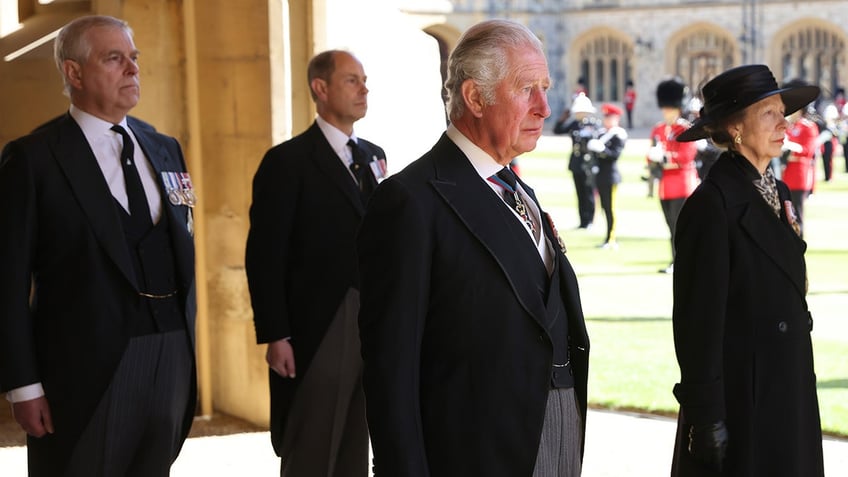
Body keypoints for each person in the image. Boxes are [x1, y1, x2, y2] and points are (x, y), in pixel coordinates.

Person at [356, 19, 590, 477]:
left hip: (558, 425)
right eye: (527, 89)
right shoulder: (411, 200)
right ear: (475, 97)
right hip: (473, 448)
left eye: (545, 87)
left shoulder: (519, 189)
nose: (545, 107)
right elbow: (391, 369)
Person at [0, 15, 197, 476]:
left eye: (134, 59)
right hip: (83, 367)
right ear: (73, 73)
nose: (132, 69)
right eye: (114, 59)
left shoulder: (164, 146)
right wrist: (23, 386)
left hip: (170, 353)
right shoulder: (33, 158)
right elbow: (6, 280)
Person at [672, 64, 824, 476]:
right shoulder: (711, 205)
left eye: (782, 112)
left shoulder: (779, 190)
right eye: (769, 114)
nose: (784, 124)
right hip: (744, 396)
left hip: (785, 383)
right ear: (735, 128)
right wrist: (705, 415)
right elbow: (696, 322)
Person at [245, 49, 384, 477]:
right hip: (317, 324)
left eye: (364, 80)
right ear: (319, 88)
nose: (364, 89)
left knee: (354, 444)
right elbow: (265, 255)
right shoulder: (287, 162)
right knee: (313, 446)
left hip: (371, 320)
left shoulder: (374, 155)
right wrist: (277, 334)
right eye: (351, 80)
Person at [646, 78, 698, 273]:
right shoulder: (659, 129)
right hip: (665, 187)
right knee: (671, 227)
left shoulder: (685, 130)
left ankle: (683, 261)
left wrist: (665, 157)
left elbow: (686, 156)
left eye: (670, 109)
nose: (666, 112)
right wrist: (653, 158)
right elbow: (651, 155)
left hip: (682, 184)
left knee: (681, 228)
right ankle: (676, 260)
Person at [554, 92, 601, 229]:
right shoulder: (574, 124)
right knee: (579, 193)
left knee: (588, 193)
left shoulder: (593, 124)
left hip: (588, 163)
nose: (578, 114)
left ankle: (590, 220)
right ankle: (582, 221)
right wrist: (563, 118)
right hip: (576, 162)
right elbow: (558, 130)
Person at [589, 103, 627, 249]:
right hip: (599, 175)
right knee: (604, 207)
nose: (607, 120)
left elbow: (614, 155)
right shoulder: (601, 133)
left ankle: (611, 238)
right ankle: (607, 237)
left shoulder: (618, 135)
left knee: (611, 208)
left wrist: (603, 149)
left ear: (616, 118)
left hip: (610, 176)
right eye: (606, 117)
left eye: (609, 117)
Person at [782, 92, 819, 237]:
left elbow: (807, 151)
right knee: (788, 213)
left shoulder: (808, 127)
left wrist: (789, 147)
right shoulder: (792, 126)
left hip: (799, 174)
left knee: (797, 213)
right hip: (788, 173)